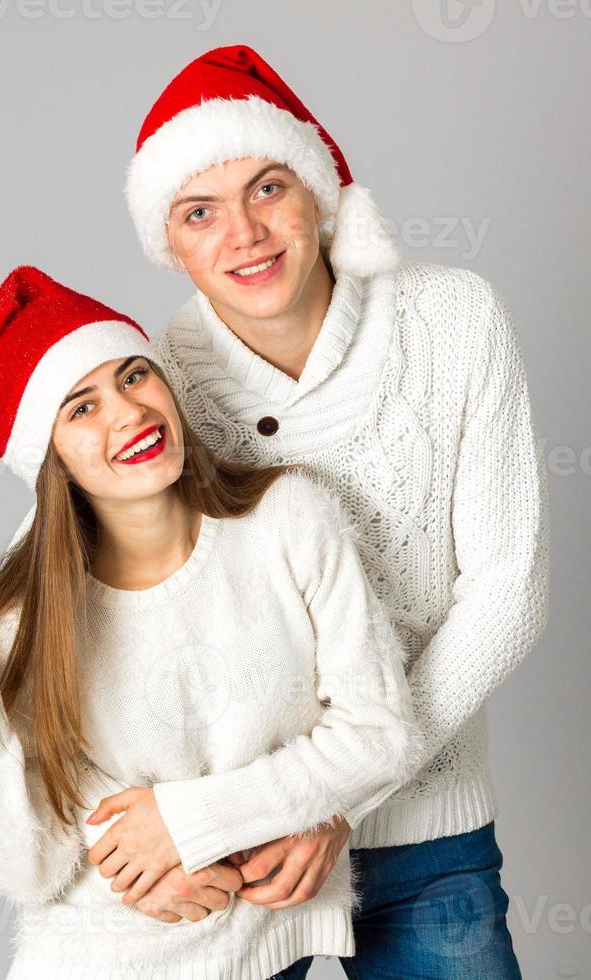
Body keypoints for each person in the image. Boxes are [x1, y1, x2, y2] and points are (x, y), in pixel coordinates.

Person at [0, 264, 420, 978]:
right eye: (80, 408)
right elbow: (32, 871)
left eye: (135, 376)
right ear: (49, 459)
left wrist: (192, 826)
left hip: (265, 952)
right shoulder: (20, 626)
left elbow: (379, 735)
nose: (127, 411)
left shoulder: (289, 519)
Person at [116, 45, 553, 978]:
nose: (244, 234)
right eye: (201, 212)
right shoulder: (155, 390)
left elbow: (508, 590)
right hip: (230, 850)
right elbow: (123, 625)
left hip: (424, 839)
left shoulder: (453, 322)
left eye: (268, 188)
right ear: (171, 241)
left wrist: (337, 802)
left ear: (320, 195)